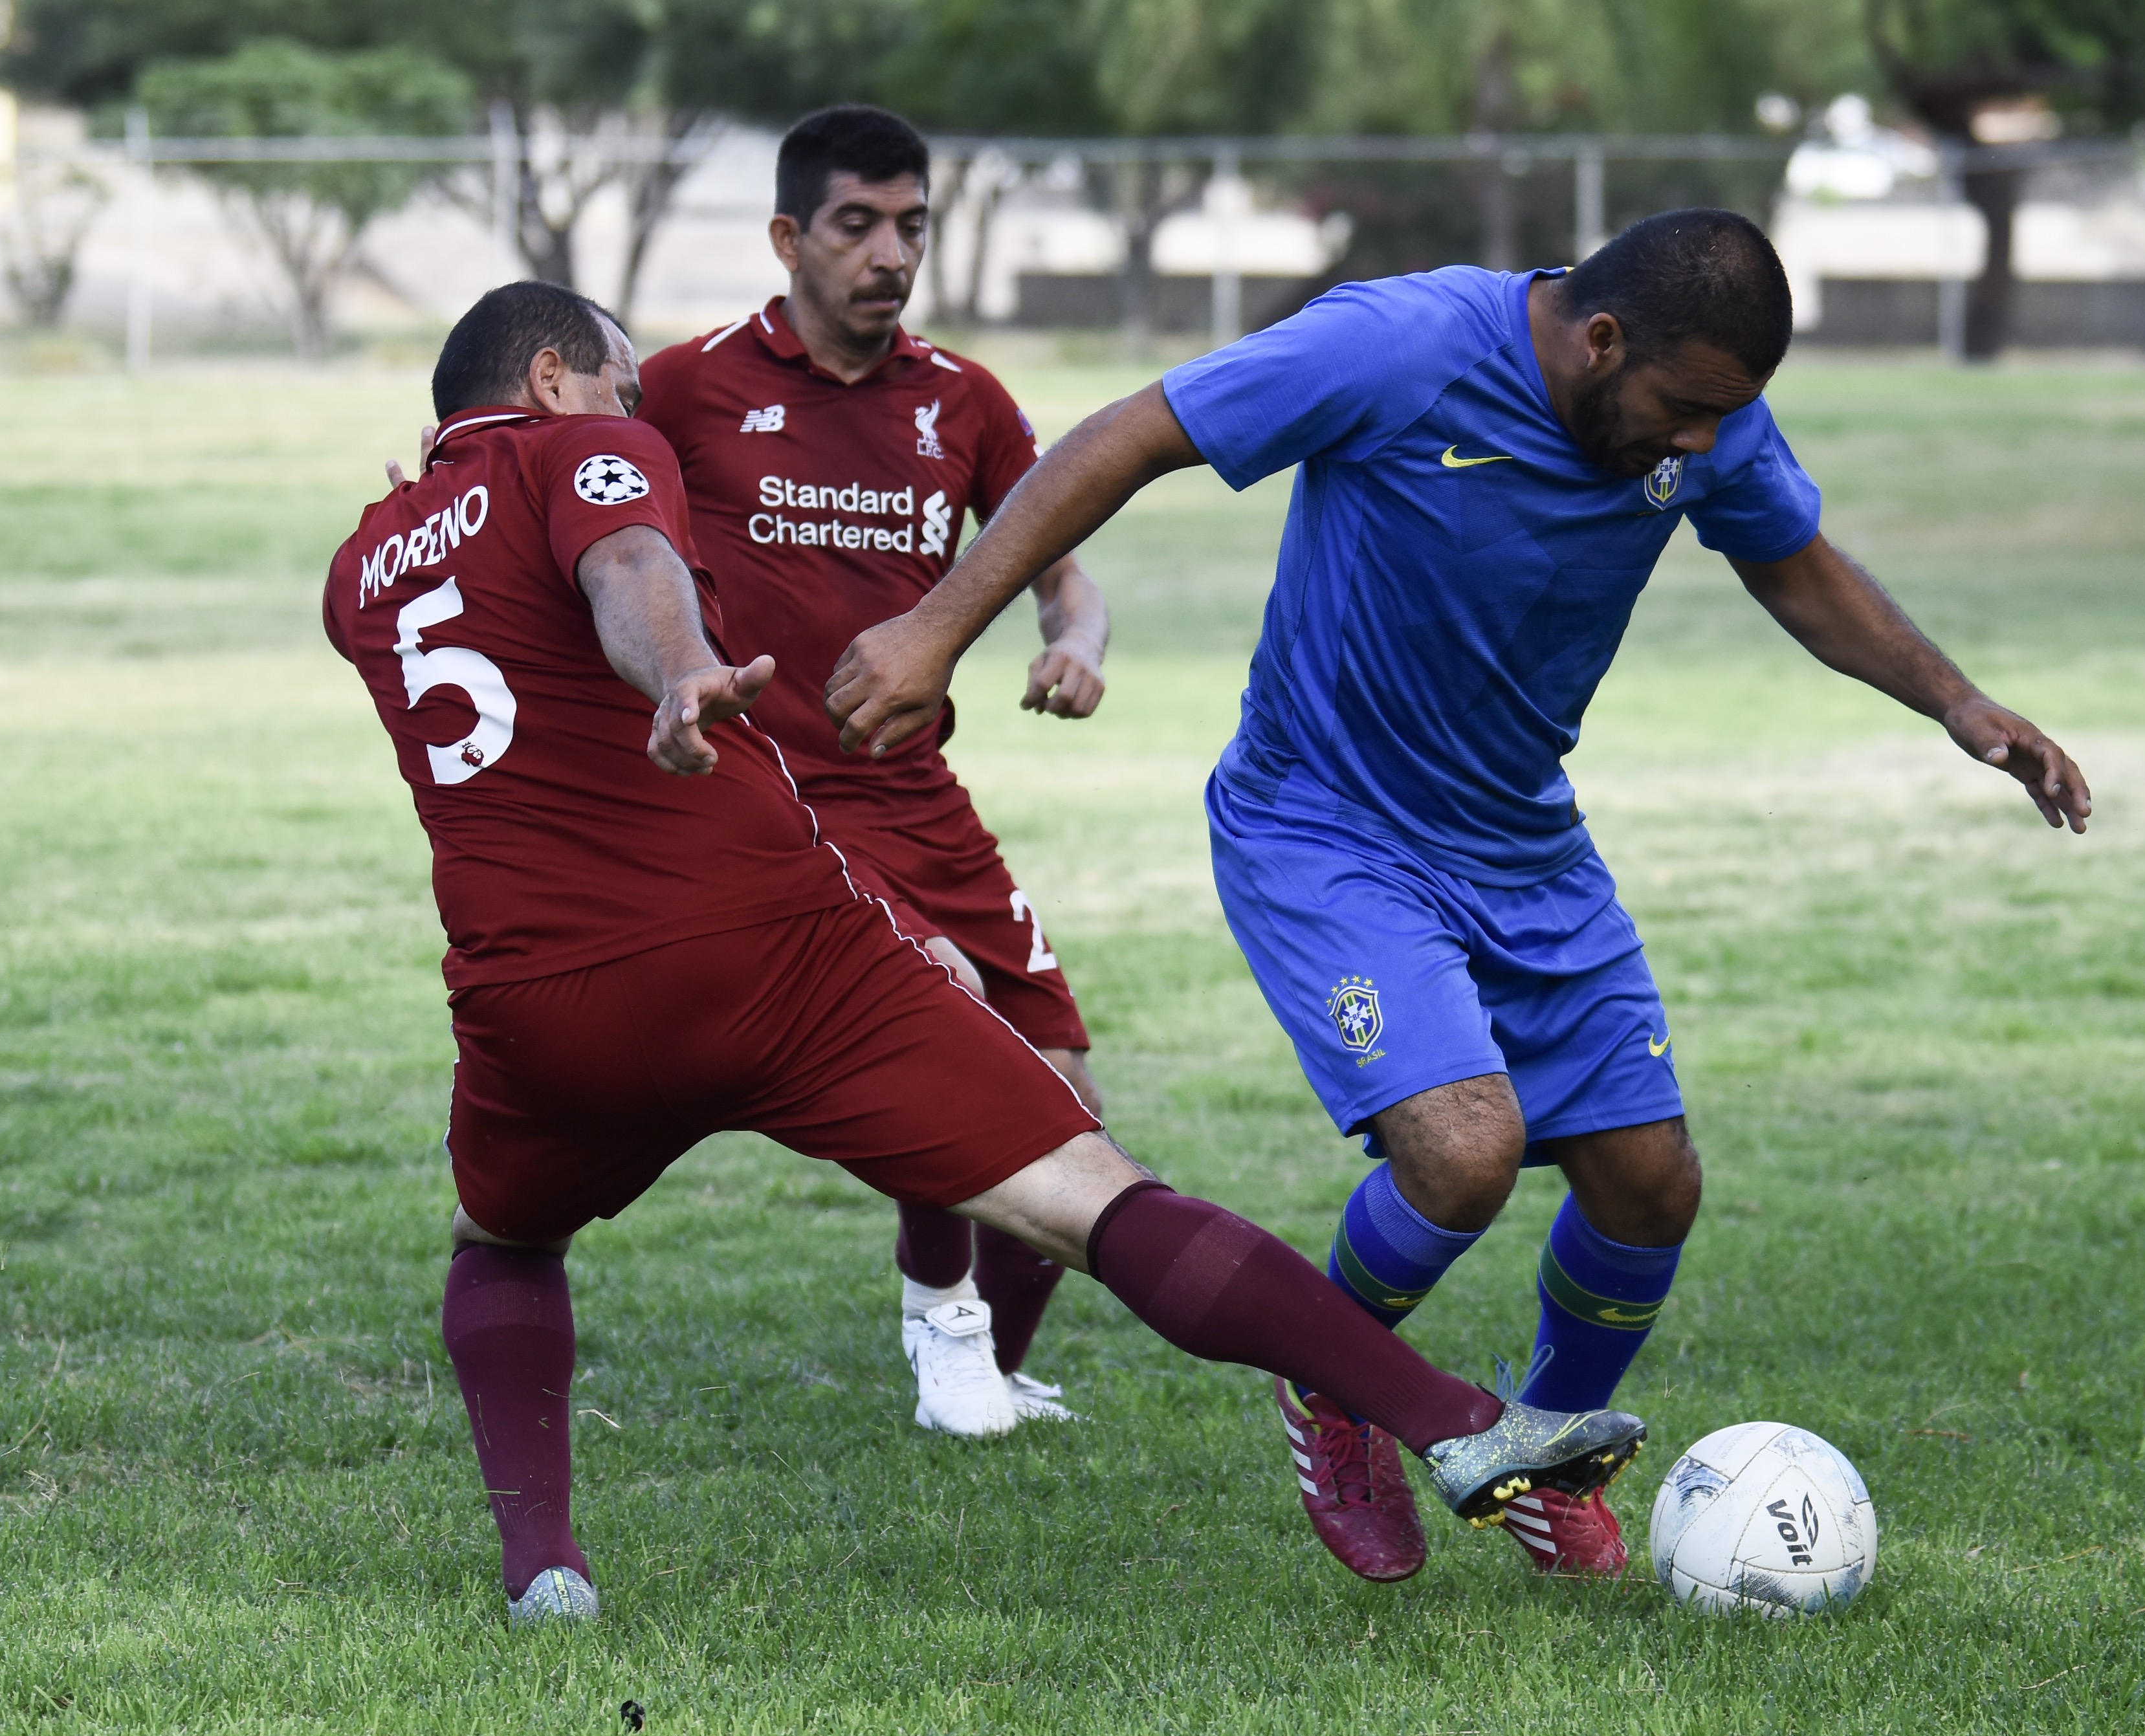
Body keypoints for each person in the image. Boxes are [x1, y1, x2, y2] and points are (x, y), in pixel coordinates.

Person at [323, 278, 1644, 1626]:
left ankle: (545, 1568)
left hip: (533, 999)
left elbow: (486, 579)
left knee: (502, 1242)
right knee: (1097, 1197)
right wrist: (675, 669)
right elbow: (628, 567)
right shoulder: (587, 448)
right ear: (550, 382)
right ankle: (1455, 1417)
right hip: (765, 951)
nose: (630, 411)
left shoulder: (361, 562)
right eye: (614, 384)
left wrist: (451, 502)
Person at [823, 210, 2093, 1585]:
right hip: (1327, 825)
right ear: (1602, 340)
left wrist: (1957, 701)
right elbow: (1135, 433)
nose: (1703, 448)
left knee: (1650, 1186)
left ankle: (1545, 1445)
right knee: (1465, 1150)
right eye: (1684, 411)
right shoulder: (1402, 345)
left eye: (1727, 421)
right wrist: (939, 624)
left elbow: (1789, 558)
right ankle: (1336, 1385)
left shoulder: (1702, 418)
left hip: (1523, 840)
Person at [632, 105, 1109, 1440]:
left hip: (921, 796)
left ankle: (989, 1363)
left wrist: (1076, 642)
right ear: (789, 237)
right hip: (774, 808)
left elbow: (1065, 564)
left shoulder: (964, 402)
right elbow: (575, 504)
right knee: (943, 1032)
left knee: (1066, 1086)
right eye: (857, 223)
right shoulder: (686, 388)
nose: (889, 252)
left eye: (911, 224)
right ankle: (942, 1323)